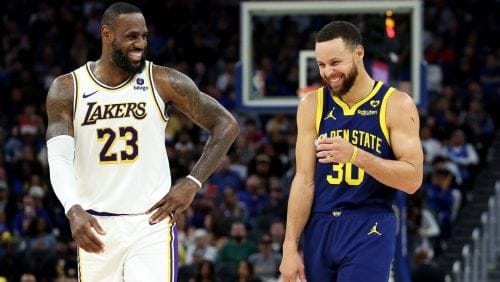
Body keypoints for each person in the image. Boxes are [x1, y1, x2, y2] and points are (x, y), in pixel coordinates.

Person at [45, 2, 239, 282]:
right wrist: (72, 208)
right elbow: (60, 158)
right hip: (96, 224)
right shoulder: (68, 88)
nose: (140, 44)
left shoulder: (162, 80)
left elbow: (226, 124)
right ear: (107, 34)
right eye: (132, 36)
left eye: (144, 36)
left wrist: (192, 183)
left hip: (150, 223)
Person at [279, 21, 423, 282]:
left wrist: (356, 155)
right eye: (322, 65)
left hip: (369, 224)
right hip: (320, 226)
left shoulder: (396, 104)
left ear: (359, 53)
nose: (328, 72)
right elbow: (304, 180)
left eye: (335, 63)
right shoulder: (312, 104)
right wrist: (290, 246)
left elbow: (412, 179)